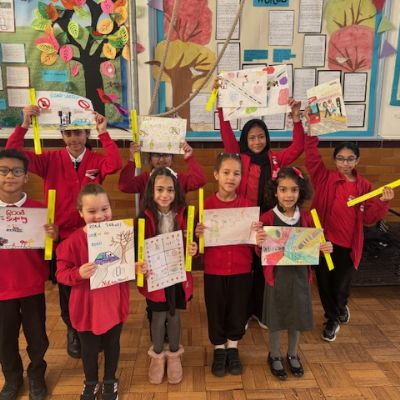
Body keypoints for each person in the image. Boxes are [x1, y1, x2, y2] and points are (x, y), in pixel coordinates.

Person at [6, 105, 123, 359]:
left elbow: (115, 163)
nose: (74, 139)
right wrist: (25, 123)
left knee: (96, 283)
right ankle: (73, 329)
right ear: (62, 135)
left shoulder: (95, 160)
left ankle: (96, 327)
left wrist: (103, 132)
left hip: (94, 236)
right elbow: (13, 153)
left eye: (78, 133)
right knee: (68, 287)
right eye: (68, 133)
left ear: (86, 134)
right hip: (63, 239)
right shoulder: (50, 160)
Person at [216, 88, 305, 327]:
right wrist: (221, 107)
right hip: (243, 223)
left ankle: (261, 311)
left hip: (269, 222)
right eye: (252, 137)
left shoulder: (275, 159)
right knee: (245, 270)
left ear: (266, 138)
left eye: (261, 136)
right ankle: (244, 312)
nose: (257, 141)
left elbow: (298, 147)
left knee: (266, 267)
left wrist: (296, 119)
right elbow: (227, 135)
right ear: (245, 140)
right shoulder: (238, 158)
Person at [304, 123, 395, 342]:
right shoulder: (325, 178)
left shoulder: (364, 187)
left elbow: (369, 219)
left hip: (347, 247)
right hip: (323, 243)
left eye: (350, 159)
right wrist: (310, 129)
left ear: (357, 161)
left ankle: (339, 309)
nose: (345, 163)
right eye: (341, 159)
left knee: (341, 286)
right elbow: (311, 156)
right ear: (335, 160)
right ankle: (332, 318)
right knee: (324, 283)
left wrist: (382, 202)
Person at [255, 167, 332, 380]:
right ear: (275, 191)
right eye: (283, 189)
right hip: (276, 277)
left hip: (300, 277)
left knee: (296, 316)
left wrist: (324, 247)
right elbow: (260, 251)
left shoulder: (307, 217)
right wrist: (258, 243)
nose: (288, 195)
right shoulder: (267, 218)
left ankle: (292, 353)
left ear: (301, 191)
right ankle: (274, 355)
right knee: (276, 316)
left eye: (294, 190)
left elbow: (314, 246)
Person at [56, 184, 129, 400]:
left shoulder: (121, 235)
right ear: (80, 213)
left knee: (112, 344)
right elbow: (61, 274)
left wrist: (135, 267)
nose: (99, 216)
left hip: (113, 303)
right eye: (92, 211)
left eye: (105, 209)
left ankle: (110, 380)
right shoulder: (71, 243)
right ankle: (90, 382)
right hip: (86, 307)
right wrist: (78, 273)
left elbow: (125, 265)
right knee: (88, 349)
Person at [0, 149, 58, 400]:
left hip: (32, 285)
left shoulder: (40, 210)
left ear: (26, 177)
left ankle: (36, 373)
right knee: (4, 339)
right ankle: (12, 377)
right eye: (3, 171)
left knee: (38, 338)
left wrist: (53, 237)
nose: (9, 176)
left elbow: (49, 251)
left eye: (16, 171)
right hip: (2, 289)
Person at [195, 153, 256, 377]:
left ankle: (233, 347)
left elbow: (254, 244)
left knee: (238, 310)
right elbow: (197, 248)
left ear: (241, 177)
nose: (231, 178)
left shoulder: (248, 207)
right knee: (216, 309)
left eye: (236, 173)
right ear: (216, 175)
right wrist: (197, 234)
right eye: (226, 172)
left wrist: (258, 235)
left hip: (242, 269)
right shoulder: (205, 206)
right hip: (214, 269)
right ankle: (219, 349)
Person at [136, 167, 197, 385]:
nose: (165, 195)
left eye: (170, 190)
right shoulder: (143, 217)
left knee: (174, 315)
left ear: (176, 191)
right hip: (155, 277)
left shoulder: (186, 214)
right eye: (160, 189)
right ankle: (157, 356)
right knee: (158, 316)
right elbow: (137, 250)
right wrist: (139, 265)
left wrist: (193, 248)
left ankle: (174, 355)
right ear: (151, 191)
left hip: (178, 275)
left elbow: (192, 243)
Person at [118, 141, 207, 201]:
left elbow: (200, 180)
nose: (161, 160)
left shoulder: (180, 179)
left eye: (165, 155)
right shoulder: (144, 179)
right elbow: (124, 186)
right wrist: (132, 160)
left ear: (172, 159)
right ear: (150, 159)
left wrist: (189, 157)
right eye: (156, 155)